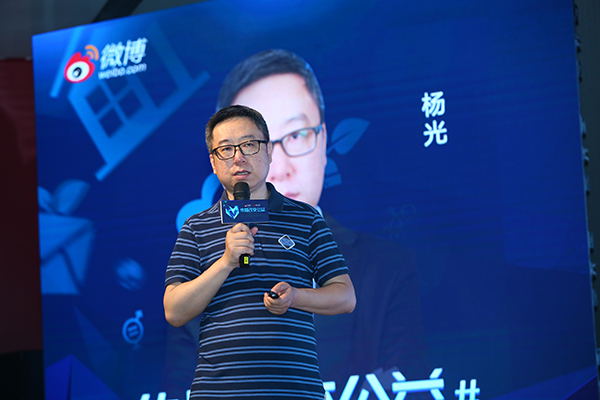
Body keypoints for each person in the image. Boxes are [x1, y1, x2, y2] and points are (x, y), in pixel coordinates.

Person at [216, 50, 429, 391]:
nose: (280, 167)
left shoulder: (388, 268)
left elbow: (412, 388)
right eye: (254, 146)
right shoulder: (198, 274)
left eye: (296, 135)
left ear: (323, 140)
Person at [164, 105, 356, 399]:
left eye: (249, 145)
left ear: (268, 151)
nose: (238, 157)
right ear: (213, 163)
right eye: (225, 149)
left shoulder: (306, 219)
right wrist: (226, 262)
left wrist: (296, 297)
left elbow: (345, 296)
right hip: (219, 392)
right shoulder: (196, 227)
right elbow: (174, 310)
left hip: (295, 391)